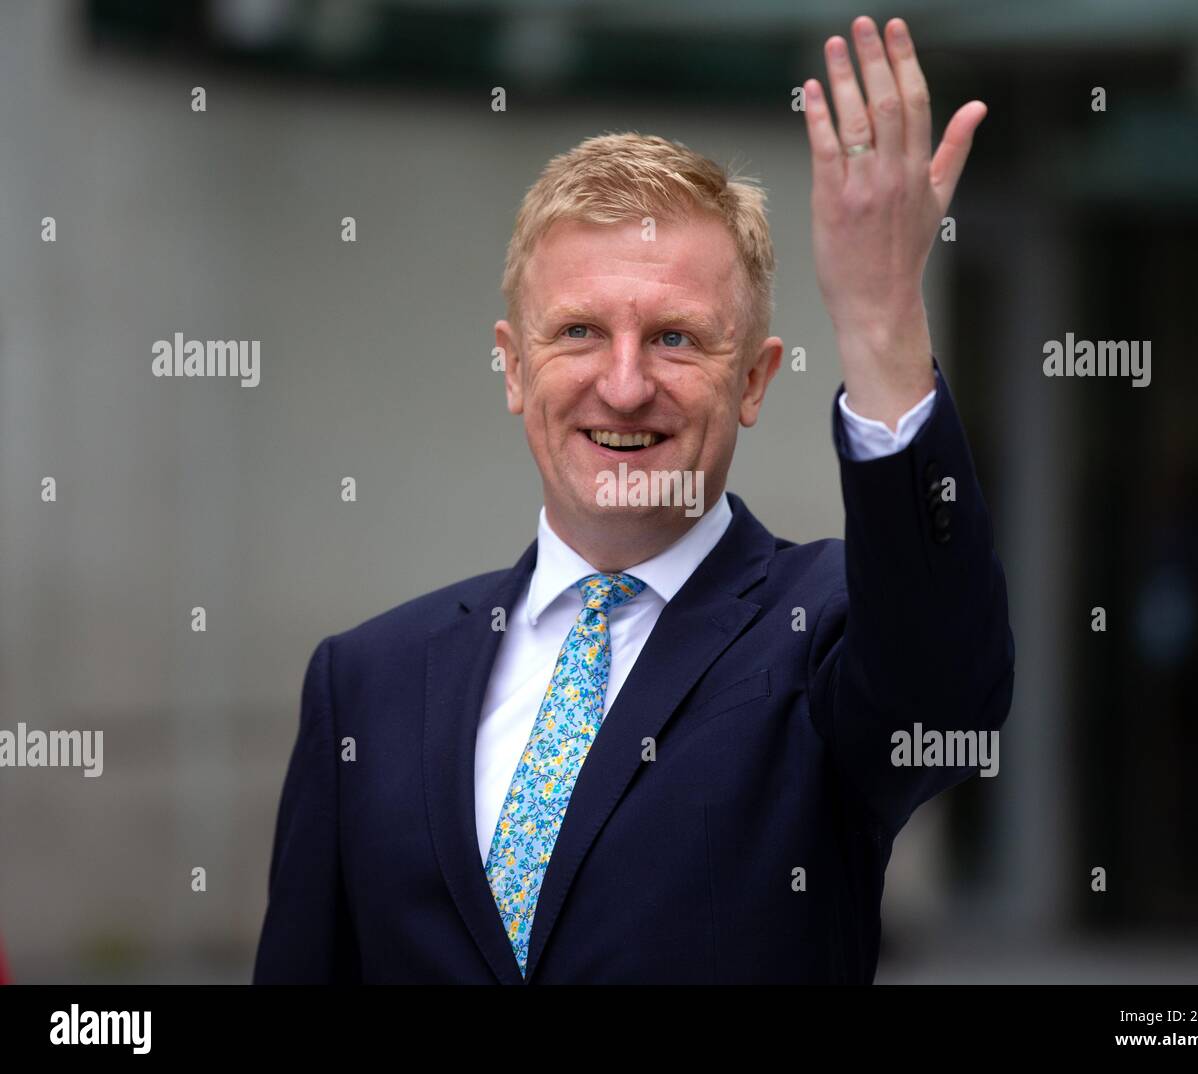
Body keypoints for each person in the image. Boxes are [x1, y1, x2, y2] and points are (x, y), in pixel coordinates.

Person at [253, 14, 1013, 984]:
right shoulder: (366, 683)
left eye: (674, 339)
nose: (623, 386)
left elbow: (943, 693)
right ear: (512, 367)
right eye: (578, 332)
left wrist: (880, 321)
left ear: (753, 379)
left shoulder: (822, 633)